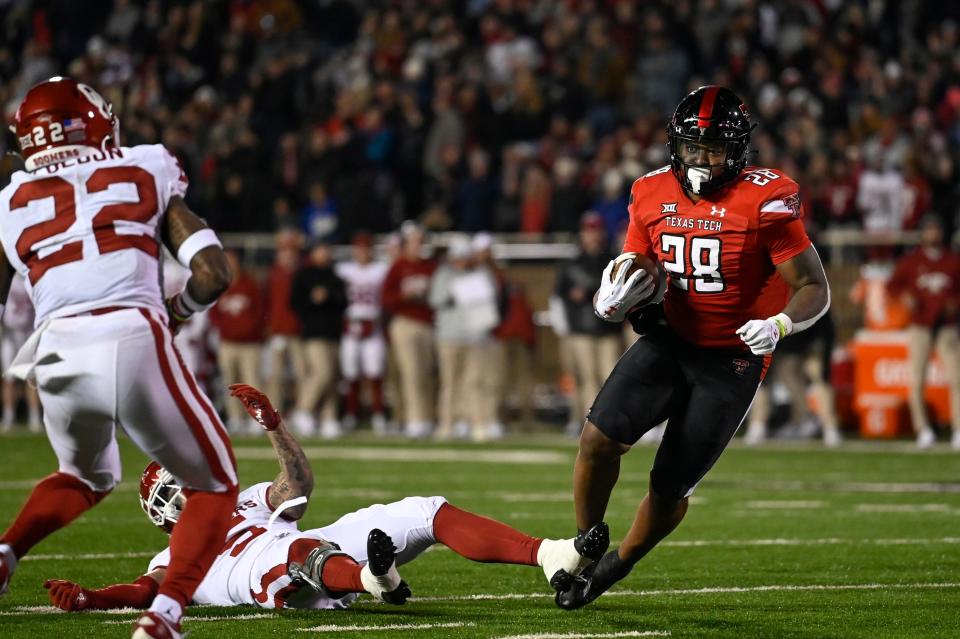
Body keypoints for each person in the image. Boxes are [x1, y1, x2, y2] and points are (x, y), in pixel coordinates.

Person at [552, 86, 831, 609]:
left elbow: (814, 287)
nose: (701, 160)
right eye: (692, 148)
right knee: (596, 440)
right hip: (671, 338)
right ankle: (585, 544)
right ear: (673, 146)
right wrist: (617, 297)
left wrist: (779, 326)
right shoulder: (650, 192)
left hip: (732, 358)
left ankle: (616, 565)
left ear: (739, 151)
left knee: (669, 485)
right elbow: (638, 265)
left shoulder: (765, 200)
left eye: (714, 149)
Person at [0, 77, 239, 639]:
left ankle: (7, 553)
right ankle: (165, 616)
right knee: (215, 483)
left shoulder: (10, 199)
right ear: (96, 123)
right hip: (130, 330)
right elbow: (214, 273)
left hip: (54, 348)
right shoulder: (147, 164)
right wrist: (178, 312)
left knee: (83, 475)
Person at [43, 384, 588, 613]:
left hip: (304, 544)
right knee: (294, 557)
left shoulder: (244, 502)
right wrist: (93, 597)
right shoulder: (174, 556)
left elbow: (297, 488)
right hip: (273, 577)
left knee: (424, 510)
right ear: (166, 505)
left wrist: (274, 426)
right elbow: (146, 589)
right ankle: (373, 580)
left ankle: (548, 554)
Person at [887, 215, 960, 449]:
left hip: (947, 326)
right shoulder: (911, 261)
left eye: (936, 229)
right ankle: (923, 429)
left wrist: (955, 303)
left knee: (956, 379)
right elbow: (892, 285)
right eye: (929, 229)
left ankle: (958, 429)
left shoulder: (953, 260)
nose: (933, 234)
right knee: (917, 380)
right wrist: (905, 297)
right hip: (920, 325)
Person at [553, 212, 624, 436]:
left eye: (595, 230)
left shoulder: (612, 259)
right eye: (588, 230)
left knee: (609, 377)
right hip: (581, 328)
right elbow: (560, 296)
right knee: (586, 377)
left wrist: (588, 292)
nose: (591, 235)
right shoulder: (572, 262)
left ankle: (607, 421)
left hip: (607, 328)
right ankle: (591, 422)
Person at [429, 235, 500, 441]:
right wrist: (456, 287)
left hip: (475, 337)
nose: (461, 260)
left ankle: (477, 423)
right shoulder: (443, 274)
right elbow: (435, 299)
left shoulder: (482, 274)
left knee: (475, 382)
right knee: (450, 382)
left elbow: (491, 301)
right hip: (449, 336)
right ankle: (447, 424)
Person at [381, 222, 438, 438]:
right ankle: (415, 420)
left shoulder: (430, 266)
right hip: (404, 323)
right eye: (414, 241)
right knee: (412, 373)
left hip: (427, 323)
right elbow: (386, 299)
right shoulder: (398, 267)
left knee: (427, 373)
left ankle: (427, 417)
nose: (418, 245)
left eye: (420, 241)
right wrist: (406, 296)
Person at [290, 240, 347, 439]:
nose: (325, 254)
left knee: (332, 378)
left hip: (334, 333)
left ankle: (329, 418)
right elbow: (295, 303)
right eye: (321, 250)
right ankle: (303, 410)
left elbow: (344, 301)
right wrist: (313, 299)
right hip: (313, 333)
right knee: (321, 372)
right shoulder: (304, 276)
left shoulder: (334, 276)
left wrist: (328, 295)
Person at [335, 231, 390, 434]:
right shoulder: (344, 269)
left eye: (366, 249)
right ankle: (351, 414)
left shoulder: (380, 269)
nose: (362, 253)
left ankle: (378, 414)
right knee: (351, 372)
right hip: (350, 325)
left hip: (373, 326)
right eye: (359, 249)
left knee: (375, 371)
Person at [209, 249, 266, 434]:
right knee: (230, 383)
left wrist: (252, 331)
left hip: (250, 343)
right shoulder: (220, 285)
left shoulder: (250, 285)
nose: (230, 264)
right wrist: (223, 329)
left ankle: (256, 419)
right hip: (228, 342)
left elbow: (260, 312)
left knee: (252, 383)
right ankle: (235, 418)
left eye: (232, 261)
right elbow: (214, 313)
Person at [265, 230, 307, 414]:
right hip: (278, 332)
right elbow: (266, 302)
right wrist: (269, 327)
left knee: (302, 375)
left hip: (298, 333)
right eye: (284, 250)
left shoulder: (303, 272)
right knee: (275, 376)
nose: (288, 255)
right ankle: (273, 413)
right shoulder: (273, 274)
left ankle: (302, 411)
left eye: (291, 251)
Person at [0, 273, 40, 431]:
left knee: (31, 378)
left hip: (29, 334)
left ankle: (34, 417)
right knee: (9, 378)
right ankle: (9, 416)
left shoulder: (31, 280)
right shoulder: (6, 280)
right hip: (11, 335)